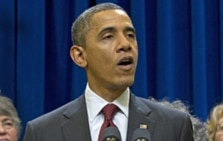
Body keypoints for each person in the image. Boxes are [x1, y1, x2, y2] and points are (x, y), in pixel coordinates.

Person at [23, 2, 194, 141]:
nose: (125, 45)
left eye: (130, 35)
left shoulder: (174, 126)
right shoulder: (43, 133)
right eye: (108, 37)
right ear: (79, 56)